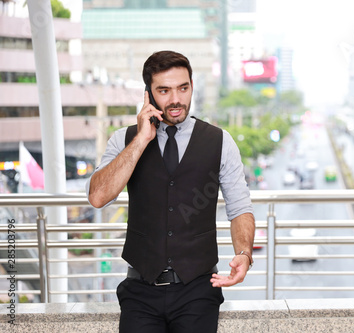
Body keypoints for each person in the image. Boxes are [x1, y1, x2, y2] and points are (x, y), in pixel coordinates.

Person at [87, 50, 255, 332]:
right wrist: (141, 140)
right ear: (148, 95)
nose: (176, 99)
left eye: (183, 88)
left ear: (191, 87)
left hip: (198, 290)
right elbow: (98, 197)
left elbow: (240, 208)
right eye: (164, 90)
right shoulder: (124, 140)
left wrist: (244, 253)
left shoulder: (220, 141)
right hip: (140, 290)